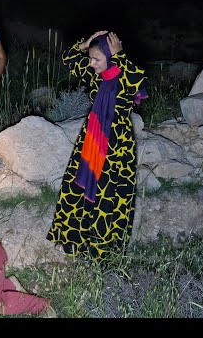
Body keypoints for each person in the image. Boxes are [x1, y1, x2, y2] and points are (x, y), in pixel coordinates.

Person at [46, 31, 149, 264]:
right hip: (91, 139)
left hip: (117, 145)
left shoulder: (125, 76)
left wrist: (120, 56)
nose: (91, 64)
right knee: (77, 189)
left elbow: (137, 80)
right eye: (91, 59)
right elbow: (69, 58)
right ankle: (77, 241)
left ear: (112, 57)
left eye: (97, 59)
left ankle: (104, 253)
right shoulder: (97, 76)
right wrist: (83, 44)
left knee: (108, 197)